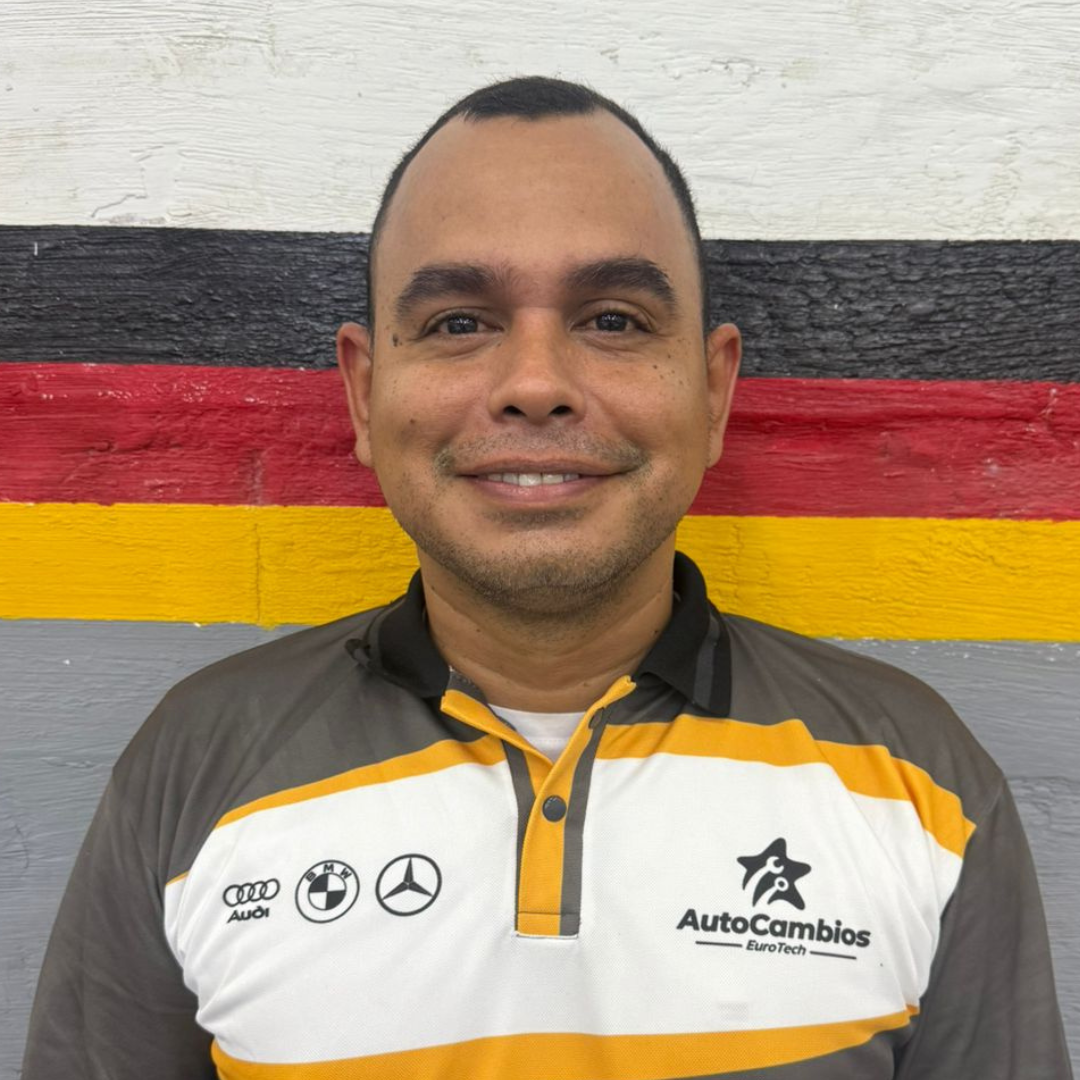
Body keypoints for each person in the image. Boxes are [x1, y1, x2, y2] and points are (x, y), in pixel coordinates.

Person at [23, 76, 1072, 1080]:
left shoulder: (922, 786)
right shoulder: (195, 768)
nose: (535, 386)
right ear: (364, 392)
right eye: (459, 323)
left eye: (612, 319)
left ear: (713, 395)